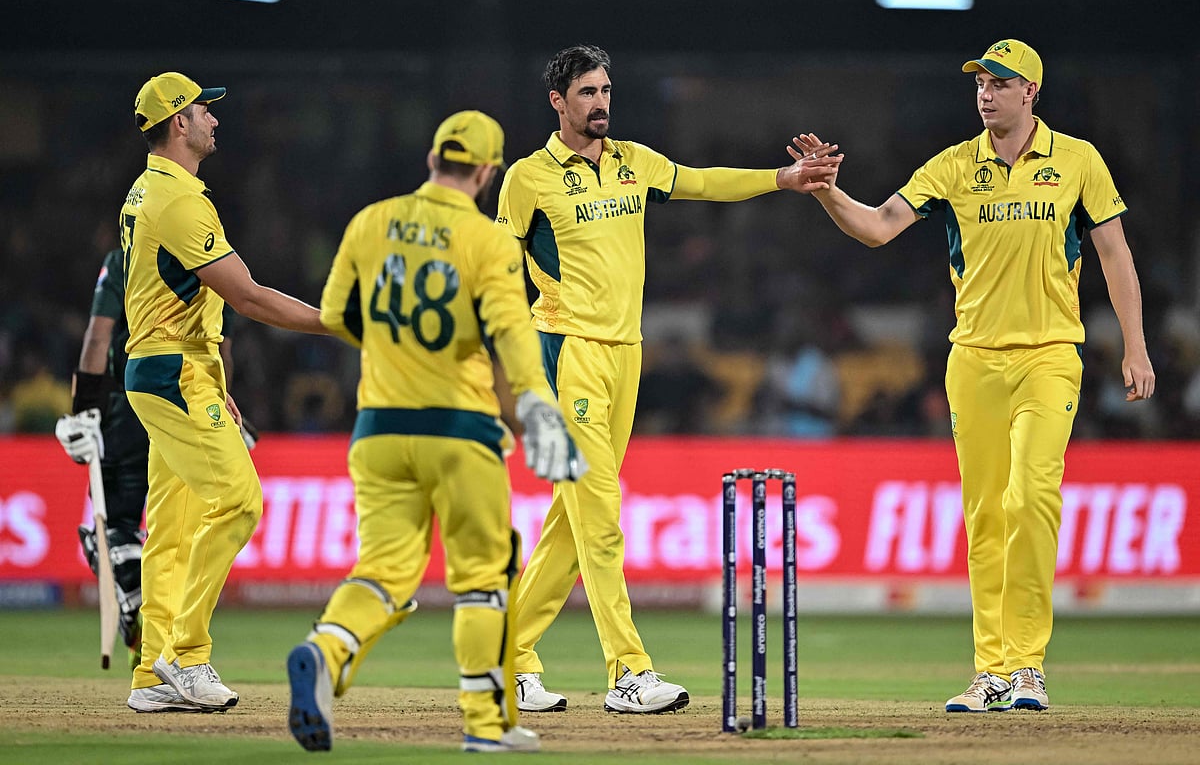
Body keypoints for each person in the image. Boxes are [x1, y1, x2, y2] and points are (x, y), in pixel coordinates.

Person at [791, 39, 1155, 713]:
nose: (986, 93)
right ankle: (990, 672)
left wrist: (1135, 346)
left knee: (1030, 499)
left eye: (1001, 83)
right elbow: (878, 228)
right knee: (986, 514)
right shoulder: (956, 166)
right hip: (975, 361)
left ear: (1031, 94)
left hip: (1050, 354)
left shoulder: (1078, 160)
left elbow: (1115, 253)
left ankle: (1028, 668)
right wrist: (827, 192)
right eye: (980, 82)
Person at [494, 43, 841, 714]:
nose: (600, 102)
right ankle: (628, 671)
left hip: (627, 355)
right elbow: (496, 274)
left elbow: (704, 181)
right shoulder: (528, 178)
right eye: (586, 93)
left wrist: (784, 179)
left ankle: (504, 659)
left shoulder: (632, 162)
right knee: (599, 520)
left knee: (573, 527)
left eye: (605, 90)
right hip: (568, 355)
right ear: (557, 102)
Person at [285, 110, 585, 754]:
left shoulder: (370, 222)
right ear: (485, 171)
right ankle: (486, 725)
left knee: (385, 571)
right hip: (460, 429)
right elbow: (511, 333)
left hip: (378, 430)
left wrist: (396, 351)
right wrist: (536, 405)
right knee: (483, 577)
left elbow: (337, 314)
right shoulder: (488, 241)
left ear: (431, 160)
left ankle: (327, 650)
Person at [117, 72, 327, 714]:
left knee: (174, 533)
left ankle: (151, 679)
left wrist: (218, 379)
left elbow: (192, 297)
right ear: (179, 121)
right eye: (206, 110)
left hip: (177, 370)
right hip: (172, 373)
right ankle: (185, 655)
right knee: (239, 503)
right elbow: (248, 295)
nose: (215, 119)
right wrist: (336, 321)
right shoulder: (178, 201)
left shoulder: (149, 190)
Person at [55, 251, 253, 672]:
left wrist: (84, 411)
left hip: (127, 404)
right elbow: (222, 352)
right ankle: (163, 642)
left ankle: (134, 605)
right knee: (178, 527)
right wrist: (221, 410)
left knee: (116, 531)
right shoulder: (218, 259)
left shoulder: (124, 259)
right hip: (185, 398)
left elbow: (97, 336)